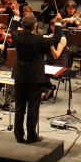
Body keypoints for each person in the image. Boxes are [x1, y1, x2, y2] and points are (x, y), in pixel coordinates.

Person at [11, 14, 53, 143]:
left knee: (19, 107)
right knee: (33, 108)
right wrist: (57, 24)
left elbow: (12, 27)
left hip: (20, 76)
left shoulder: (16, 36)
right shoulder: (39, 39)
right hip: (34, 78)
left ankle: (18, 135)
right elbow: (55, 40)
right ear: (34, 26)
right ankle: (31, 136)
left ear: (23, 26)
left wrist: (17, 15)